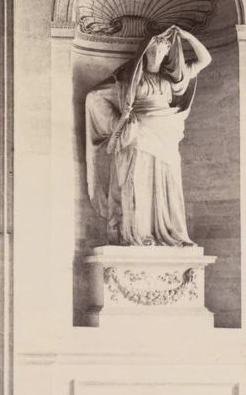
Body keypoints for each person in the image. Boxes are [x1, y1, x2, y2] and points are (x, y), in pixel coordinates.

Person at [84, 25, 213, 246]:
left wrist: (187, 36)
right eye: (153, 50)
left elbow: (205, 60)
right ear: (144, 52)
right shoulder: (129, 80)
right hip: (138, 136)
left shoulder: (171, 81)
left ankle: (166, 232)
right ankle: (138, 234)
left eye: (162, 51)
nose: (157, 55)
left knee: (166, 184)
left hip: (165, 135)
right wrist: (120, 121)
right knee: (138, 182)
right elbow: (94, 97)